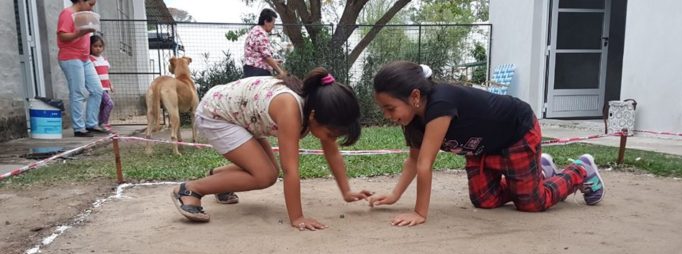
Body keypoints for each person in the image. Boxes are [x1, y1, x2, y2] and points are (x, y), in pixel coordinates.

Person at [368, 61, 606, 227]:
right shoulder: (412, 120)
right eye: (383, 109)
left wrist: (419, 213)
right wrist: (394, 195)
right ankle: (538, 172)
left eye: (390, 108)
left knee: (532, 203)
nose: (388, 115)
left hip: (516, 133)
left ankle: (580, 170)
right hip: (483, 148)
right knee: (484, 200)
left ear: (415, 96)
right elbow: (413, 160)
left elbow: (425, 164)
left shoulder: (440, 104)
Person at [171, 68, 372, 229]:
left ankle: (220, 180)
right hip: (216, 114)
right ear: (313, 116)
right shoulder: (290, 109)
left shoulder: (317, 106)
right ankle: (189, 190)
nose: (332, 140)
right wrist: (298, 217)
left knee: (267, 171)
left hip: (241, 116)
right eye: (332, 134)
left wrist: (346, 191)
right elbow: (290, 169)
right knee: (265, 175)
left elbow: (332, 151)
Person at [57, 0, 107, 137]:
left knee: (97, 90)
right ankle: (79, 128)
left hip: (84, 58)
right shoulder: (67, 14)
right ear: (80, 1)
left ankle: (91, 123)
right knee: (78, 92)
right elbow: (62, 36)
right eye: (90, 3)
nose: (92, 7)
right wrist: (80, 33)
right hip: (71, 57)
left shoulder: (83, 15)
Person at [242, 8, 284, 78]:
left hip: (250, 69)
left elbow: (258, 55)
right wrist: (280, 72)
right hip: (258, 71)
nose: (273, 26)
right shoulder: (260, 34)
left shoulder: (254, 30)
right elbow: (267, 57)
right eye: (273, 23)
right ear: (266, 22)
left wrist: (273, 62)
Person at [90, 34, 114, 132]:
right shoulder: (90, 59)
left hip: (106, 88)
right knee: (109, 103)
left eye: (100, 46)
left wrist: (110, 84)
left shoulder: (104, 60)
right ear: (90, 47)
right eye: (95, 46)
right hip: (98, 88)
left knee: (103, 106)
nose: (98, 49)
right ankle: (103, 123)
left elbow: (106, 74)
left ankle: (100, 123)